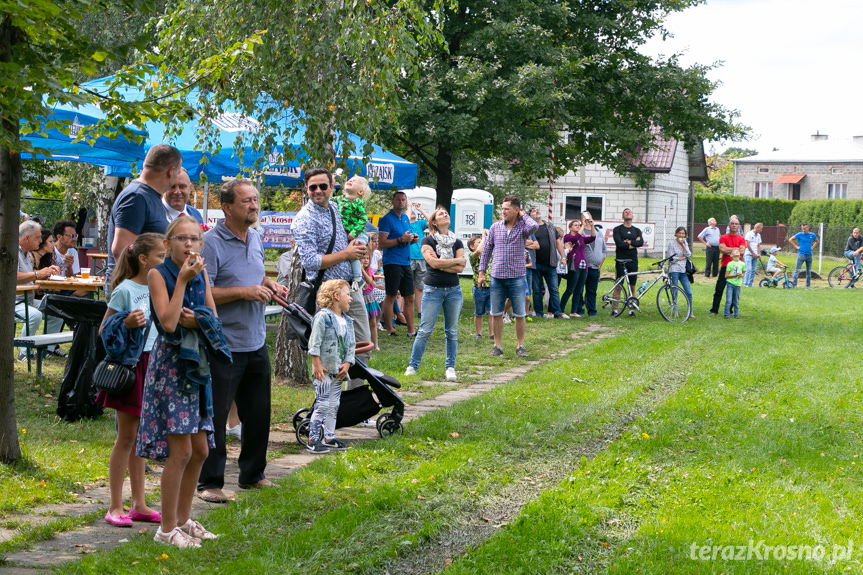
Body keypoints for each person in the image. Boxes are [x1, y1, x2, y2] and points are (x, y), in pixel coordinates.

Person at [137, 216, 226, 548]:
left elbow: (212, 319)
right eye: (182, 239)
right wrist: (183, 283)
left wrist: (200, 319)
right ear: (167, 242)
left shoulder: (200, 271)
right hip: (172, 366)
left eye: (195, 239)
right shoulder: (158, 274)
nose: (189, 245)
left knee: (201, 449)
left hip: (198, 364)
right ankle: (166, 528)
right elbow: (170, 323)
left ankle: (184, 520)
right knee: (181, 451)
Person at [197, 180, 287, 503]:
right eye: (247, 201)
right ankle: (210, 482)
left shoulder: (256, 237)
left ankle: (252, 474)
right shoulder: (211, 243)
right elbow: (205, 293)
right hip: (224, 343)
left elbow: (255, 276)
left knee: (258, 413)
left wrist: (268, 285)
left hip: (255, 339)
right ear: (227, 207)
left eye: (255, 200)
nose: (253, 205)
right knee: (217, 415)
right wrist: (245, 292)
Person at [98, 233, 165, 528]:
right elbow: (104, 330)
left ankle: (139, 503)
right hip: (133, 366)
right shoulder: (125, 290)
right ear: (143, 259)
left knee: (142, 439)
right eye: (161, 256)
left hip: (155, 363)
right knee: (126, 438)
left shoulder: (159, 287)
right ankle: (115, 505)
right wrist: (125, 322)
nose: (165, 260)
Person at [291, 167, 371, 370]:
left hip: (350, 287)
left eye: (323, 186)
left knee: (362, 346)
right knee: (329, 353)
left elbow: (352, 233)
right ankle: (328, 399)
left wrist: (359, 248)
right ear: (306, 189)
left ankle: (355, 398)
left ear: (332, 187)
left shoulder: (335, 208)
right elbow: (310, 261)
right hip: (326, 291)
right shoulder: (304, 218)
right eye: (312, 187)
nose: (318, 190)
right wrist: (346, 254)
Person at [107, 144, 183, 292]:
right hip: (133, 294)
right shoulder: (136, 197)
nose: (177, 176)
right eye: (178, 172)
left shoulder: (149, 196)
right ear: (171, 171)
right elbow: (121, 250)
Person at [405, 208, 466, 381]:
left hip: (454, 290)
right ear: (433, 222)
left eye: (446, 213)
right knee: (424, 330)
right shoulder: (427, 240)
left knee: (452, 331)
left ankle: (450, 367)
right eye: (440, 214)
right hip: (433, 290)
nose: (445, 215)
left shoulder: (458, 242)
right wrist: (454, 261)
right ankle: (412, 365)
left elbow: (461, 268)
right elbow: (432, 262)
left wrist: (442, 263)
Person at [478, 195, 537, 358]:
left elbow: (534, 227)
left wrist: (523, 215)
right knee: (496, 313)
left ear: (516, 210)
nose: (503, 211)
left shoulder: (523, 228)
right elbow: (487, 251)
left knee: (519, 314)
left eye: (507, 209)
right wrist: (481, 273)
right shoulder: (495, 227)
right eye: (502, 208)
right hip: (497, 276)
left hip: (517, 276)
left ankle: (520, 345)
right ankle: (497, 346)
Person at [306, 279, 356, 454]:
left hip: (338, 371)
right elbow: (315, 342)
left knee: (334, 404)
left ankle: (329, 437)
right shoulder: (323, 317)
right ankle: (313, 440)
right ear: (336, 296)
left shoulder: (347, 321)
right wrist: (317, 365)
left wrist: (348, 363)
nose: (350, 298)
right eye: (347, 294)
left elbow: (351, 346)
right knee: (322, 404)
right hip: (324, 370)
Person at [378, 191, 418, 337]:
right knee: (391, 295)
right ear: (392, 201)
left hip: (405, 261)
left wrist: (413, 239)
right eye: (398, 200)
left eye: (403, 200)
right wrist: (401, 239)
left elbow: (407, 237)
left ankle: (411, 330)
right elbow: (381, 243)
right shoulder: (386, 219)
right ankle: (390, 328)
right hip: (392, 262)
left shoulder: (406, 218)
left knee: (409, 297)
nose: (401, 202)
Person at [15, 221, 61, 345]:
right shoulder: (13, 252)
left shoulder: (27, 254)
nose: (41, 240)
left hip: (28, 300)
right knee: (34, 315)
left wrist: (46, 273)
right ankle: (24, 352)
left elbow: (29, 278)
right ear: (27, 238)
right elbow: (13, 277)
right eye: (38, 237)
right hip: (13, 302)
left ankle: (49, 349)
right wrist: (37, 274)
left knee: (57, 311)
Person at [526, 208, 567, 319]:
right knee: (537, 290)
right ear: (529, 215)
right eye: (534, 211)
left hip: (550, 263)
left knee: (554, 289)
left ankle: (557, 312)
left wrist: (563, 257)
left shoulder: (549, 226)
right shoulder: (529, 228)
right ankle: (538, 312)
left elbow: (558, 243)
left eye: (538, 210)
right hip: (535, 264)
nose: (537, 211)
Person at [335, 175, 371, 288]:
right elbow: (327, 200)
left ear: (360, 192)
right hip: (345, 234)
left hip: (359, 234)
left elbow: (363, 219)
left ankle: (358, 278)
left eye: (354, 181)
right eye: (349, 180)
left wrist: (354, 232)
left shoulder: (357, 203)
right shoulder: (339, 199)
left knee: (354, 253)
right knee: (347, 253)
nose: (350, 180)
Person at [560, 217, 597, 317]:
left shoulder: (581, 237)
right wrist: (584, 226)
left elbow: (593, 237)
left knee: (579, 289)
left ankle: (573, 311)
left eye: (579, 225)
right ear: (570, 228)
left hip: (583, 265)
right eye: (576, 225)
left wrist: (592, 226)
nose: (578, 226)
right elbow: (574, 238)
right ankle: (561, 309)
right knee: (570, 289)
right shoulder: (568, 237)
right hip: (573, 265)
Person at [709, 218, 746, 315]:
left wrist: (730, 250)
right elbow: (722, 249)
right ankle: (714, 310)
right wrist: (736, 249)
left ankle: (730, 310)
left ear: (738, 226)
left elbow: (742, 251)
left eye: (736, 224)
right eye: (732, 223)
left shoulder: (741, 238)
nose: (734, 225)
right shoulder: (723, 237)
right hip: (726, 266)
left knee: (734, 290)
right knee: (719, 289)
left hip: (737, 268)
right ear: (729, 225)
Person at [611, 208, 644, 316]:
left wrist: (628, 242)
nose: (628, 213)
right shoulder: (617, 229)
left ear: (632, 215)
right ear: (622, 216)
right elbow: (619, 244)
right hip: (621, 260)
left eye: (630, 212)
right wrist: (633, 243)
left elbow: (640, 243)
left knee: (632, 286)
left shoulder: (637, 230)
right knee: (619, 285)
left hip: (633, 260)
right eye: (625, 212)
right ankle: (615, 309)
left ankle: (631, 309)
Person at [468, 235, 493, 339]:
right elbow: (478, 251)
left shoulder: (490, 255)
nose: (482, 243)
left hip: (492, 286)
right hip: (479, 288)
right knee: (479, 312)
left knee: (492, 312)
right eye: (479, 242)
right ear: (472, 246)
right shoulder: (472, 256)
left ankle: (492, 334)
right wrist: (484, 237)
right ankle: (478, 333)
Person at [667, 226, 694, 318]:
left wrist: (683, 245)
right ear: (676, 233)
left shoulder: (685, 243)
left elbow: (689, 254)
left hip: (683, 270)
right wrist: (680, 258)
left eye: (683, 233)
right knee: (675, 290)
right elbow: (670, 258)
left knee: (689, 292)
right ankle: (675, 310)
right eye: (680, 233)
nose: (681, 235)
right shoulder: (671, 243)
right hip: (674, 269)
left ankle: (690, 312)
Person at [407, 202, 429, 315]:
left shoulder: (420, 224)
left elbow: (432, 221)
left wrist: (421, 209)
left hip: (421, 258)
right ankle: (404, 311)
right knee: (407, 287)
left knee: (420, 287)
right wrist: (409, 207)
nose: (412, 212)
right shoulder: (404, 223)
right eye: (409, 210)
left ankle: (420, 312)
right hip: (408, 258)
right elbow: (404, 218)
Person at [582, 224, 607, 317]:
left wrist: (600, 264)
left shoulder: (598, 232)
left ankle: (592, 311)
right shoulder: (580, 231)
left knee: (592, 291)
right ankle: (578, 310)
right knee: (579, 290)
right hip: (583, 267)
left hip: (595, 268)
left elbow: (604, 250)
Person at [360, 254, 383, 351]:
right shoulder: (355, 270)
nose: (365, 260)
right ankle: (365, 343)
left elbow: (369, 280)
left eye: (367, 258)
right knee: (363, 323)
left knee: (373, 322)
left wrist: (362, 270)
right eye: (363, 258)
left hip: (369, 297)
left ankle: (375, 344)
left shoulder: (369, 270)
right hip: (361, 298)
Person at [789, 223, 819, 289]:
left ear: (808, 228)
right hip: (801, 255)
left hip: (809, 255)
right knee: (797, 270)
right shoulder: (799, 234)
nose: (803, 229)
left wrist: (812, 247)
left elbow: (817, 241)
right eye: (802, 228)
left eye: (805, 228)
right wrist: (796, 246)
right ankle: (794, 285)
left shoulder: (812, 235)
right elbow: (790, 239)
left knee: (808, 271)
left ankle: (807, 286)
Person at [724, 249, 745, 318]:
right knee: (729, 300)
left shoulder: (742, 264)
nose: (736, 252)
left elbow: (743, 272)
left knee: (736, 301)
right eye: (734, 252)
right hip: (730, 284)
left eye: (737, 251)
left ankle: (736, 315)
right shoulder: (730, 264)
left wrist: (741, 275)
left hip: (738, 285)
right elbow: (726, 276)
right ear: (731, 255)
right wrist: (735, 275)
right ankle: (726, 314)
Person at [743, 222, 763, 287]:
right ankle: (745, 283)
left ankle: (750, 284)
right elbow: (747, 245)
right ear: (757, 228)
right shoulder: (749, 234)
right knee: (749, 269)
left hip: (756, 255)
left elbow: (758, 245)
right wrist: (753, 253)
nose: (761, 230)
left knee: (753, 270)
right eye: (761, 229)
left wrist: (759, 254)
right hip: (748, 254)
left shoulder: (759, 235)